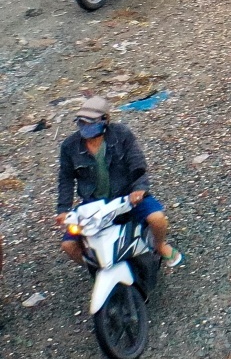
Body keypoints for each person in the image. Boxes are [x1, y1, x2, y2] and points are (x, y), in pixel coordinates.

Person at [58, 96, 181, 271]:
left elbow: (137, 164)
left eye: (90, 122)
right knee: (69, 245)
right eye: (81, 123)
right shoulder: (69, 146)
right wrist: (63, 210)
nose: (85, 127)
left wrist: (139, 189)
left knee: (157, 219)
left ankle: (160, 246)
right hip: (93, 203)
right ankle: (95, 268)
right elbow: (65, 178)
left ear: (105, 120)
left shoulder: (122, 135)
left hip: (127, 197)